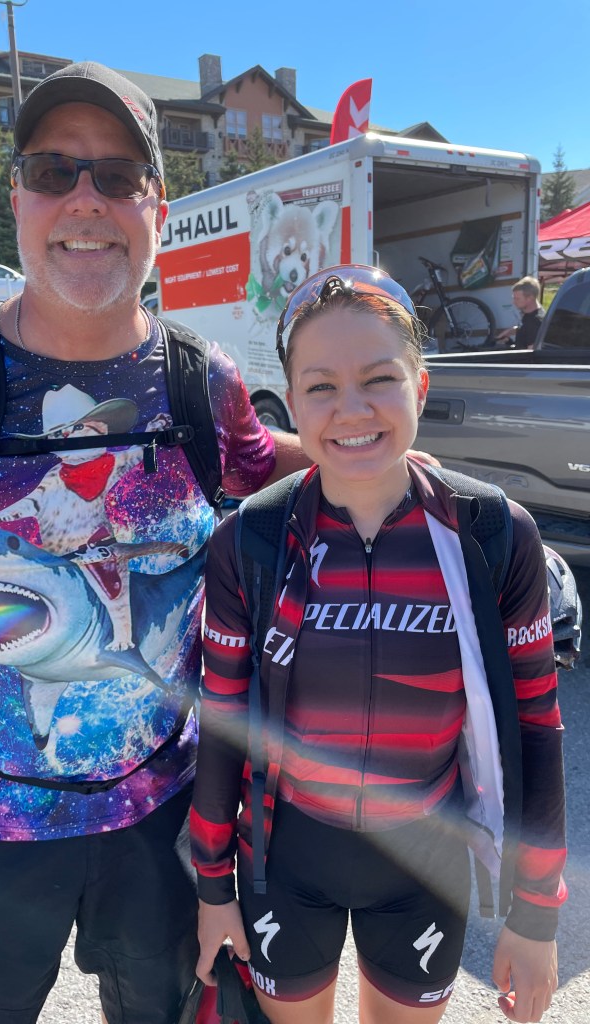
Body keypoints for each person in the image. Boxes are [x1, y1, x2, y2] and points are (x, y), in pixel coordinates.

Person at [0, 62, 310, 1024]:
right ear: (17, 199)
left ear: (156, 208)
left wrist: (395, 453)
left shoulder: (199, 381)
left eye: (118, 176)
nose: (86, 200)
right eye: (54, 171)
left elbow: (286, 463)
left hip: (171, 817)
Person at [191, 265, 566, 1024]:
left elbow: (536, 727)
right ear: (291, 403)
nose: (351, 409)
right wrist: (212, 888)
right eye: (321, 386)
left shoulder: (492, 533)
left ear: (420, 387)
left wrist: (536, 917)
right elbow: (222, 723)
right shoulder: (251, 540)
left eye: (380, 379)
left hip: (425, 866)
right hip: (285, 862)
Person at [495, 276, 545, 348]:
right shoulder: (529, 314)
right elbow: (525, 329)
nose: (513, 302)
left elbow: (531, 352)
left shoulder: (535, 322)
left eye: (517, 299)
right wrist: (510, 333)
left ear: (530, 298)